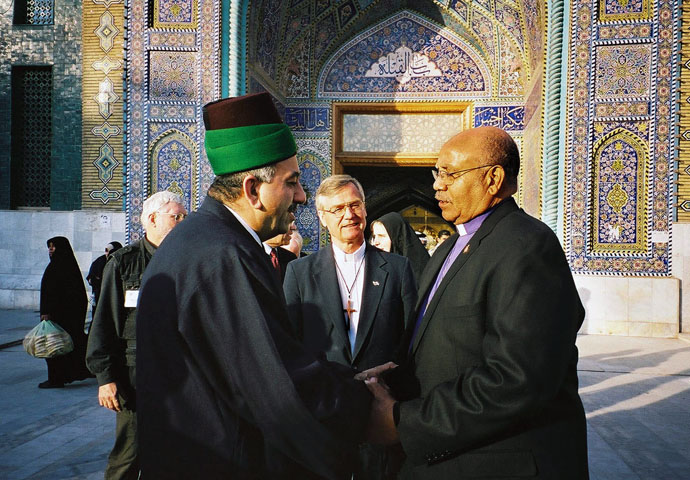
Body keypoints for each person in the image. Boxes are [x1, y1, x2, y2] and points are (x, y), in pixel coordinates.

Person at [135, 92, 371, 479]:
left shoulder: (202, 239)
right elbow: (271, 385)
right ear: (251, 189)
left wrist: (347, 378)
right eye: (291, 182)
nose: (300, 196)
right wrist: (364, 408)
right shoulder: (224, 256)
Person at [362, 126, 588, 479]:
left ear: (493, 178)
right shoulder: (450, 248)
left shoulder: (526, 246)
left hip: (497, 462)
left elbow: (517, 378)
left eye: (450, 174)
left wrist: (403, 423)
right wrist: (393, 378)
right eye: (437, 174)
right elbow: (451, 346)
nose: (438, 184)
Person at [283, 175, 416, 480]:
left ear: (366, 210)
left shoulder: (396, 269)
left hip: (380, 413)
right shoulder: (299, 273)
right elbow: (291, 345)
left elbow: (410, 337)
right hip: (324, 416)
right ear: (322, 217)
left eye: (355, 205)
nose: (349, 215)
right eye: (338, 208)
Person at [86, 191, 186, 480]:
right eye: (175, 217)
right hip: (136, 378)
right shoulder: (124, 262)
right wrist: (106, 378)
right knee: (129, 455)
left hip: (180, 376)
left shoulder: (187, 260)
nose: (181, 222)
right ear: (152, 219)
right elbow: (104, 322)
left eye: (183, 217)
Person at [38, 236, 91, 388]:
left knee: (55, 348)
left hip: (59, 317)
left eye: (53, 247)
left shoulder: (60, 267)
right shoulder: (65, 266)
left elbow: (51, 293)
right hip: (66, 317)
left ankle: (56, 378)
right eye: (50, 247)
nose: (50, 250)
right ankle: (70, 373)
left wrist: (46, 312)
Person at [370, 212, 430, 284]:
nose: (376, 242)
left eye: (381, 236)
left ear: (397, 237)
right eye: (374, 236)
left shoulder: (421, 271)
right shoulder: (373, 267)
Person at [86, 241, 123, 317]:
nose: (107, 253)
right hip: (100, 295)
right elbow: (91, 278)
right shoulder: (99, 261)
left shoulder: (121, 261)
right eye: (106, 250)